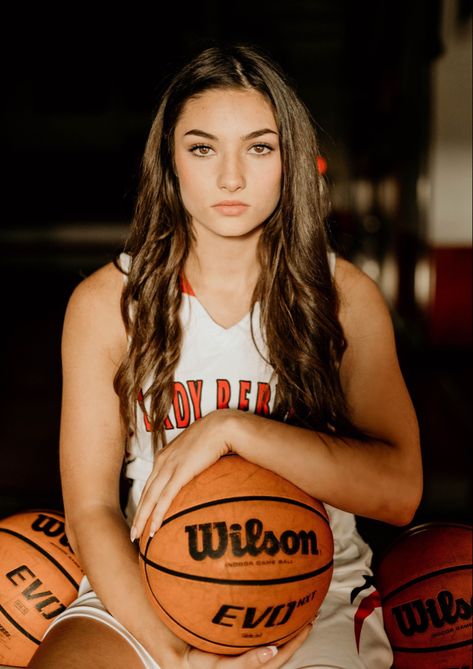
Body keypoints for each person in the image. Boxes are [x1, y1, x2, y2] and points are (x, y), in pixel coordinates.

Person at [27, 44, 422, 669]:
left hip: (308, 589)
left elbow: (399, 492)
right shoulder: (108, 303)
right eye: (203, 148)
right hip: (148, 583)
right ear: (170, 161)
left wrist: (233, 430)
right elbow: (92, 510)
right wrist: (176, 654)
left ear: (289, 161)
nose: (230, 177)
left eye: (259, 148)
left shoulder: (343, 296)